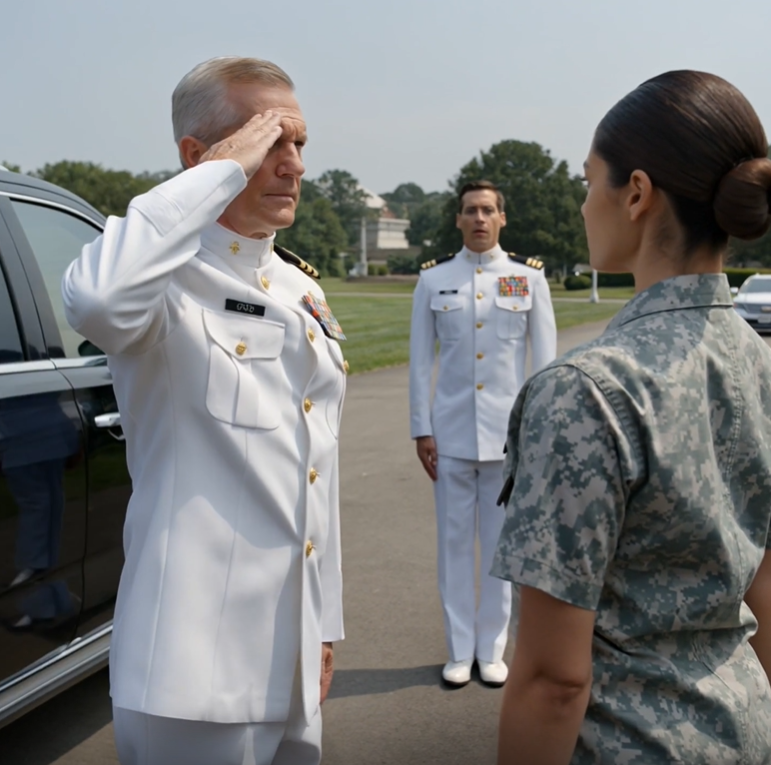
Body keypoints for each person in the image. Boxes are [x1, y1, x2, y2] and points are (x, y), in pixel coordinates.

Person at [62, 57, 347, 765]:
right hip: (192, 671)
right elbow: (97, 301)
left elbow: (316, 472)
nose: (291, 164)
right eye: (267, 140)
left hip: (290, 657)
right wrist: (215, 176)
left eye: (299, 143)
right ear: (198, 156)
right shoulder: (158, 278)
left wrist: (323, 624)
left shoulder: (294, 287)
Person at [493, 70, 771, 765]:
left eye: (590, 182)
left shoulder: (585, 390)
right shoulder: (761, 364)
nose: (585, 203)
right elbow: (764, 586)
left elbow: (554, 679)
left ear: (637, 193)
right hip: (745, 722)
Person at [409, 181, 557, 687]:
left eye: (488, 210)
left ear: (502, 217)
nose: (479, 218)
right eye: (470, 210)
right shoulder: (434, 281)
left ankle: (491, 651)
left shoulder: (526, 279)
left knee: (498, 552)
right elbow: (417, 362)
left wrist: (539, 432)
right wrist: (420, 428)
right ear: (458, 219)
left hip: (507, 439)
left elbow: (546, 363)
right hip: (448, 436)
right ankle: (458, 651)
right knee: (453, 548)